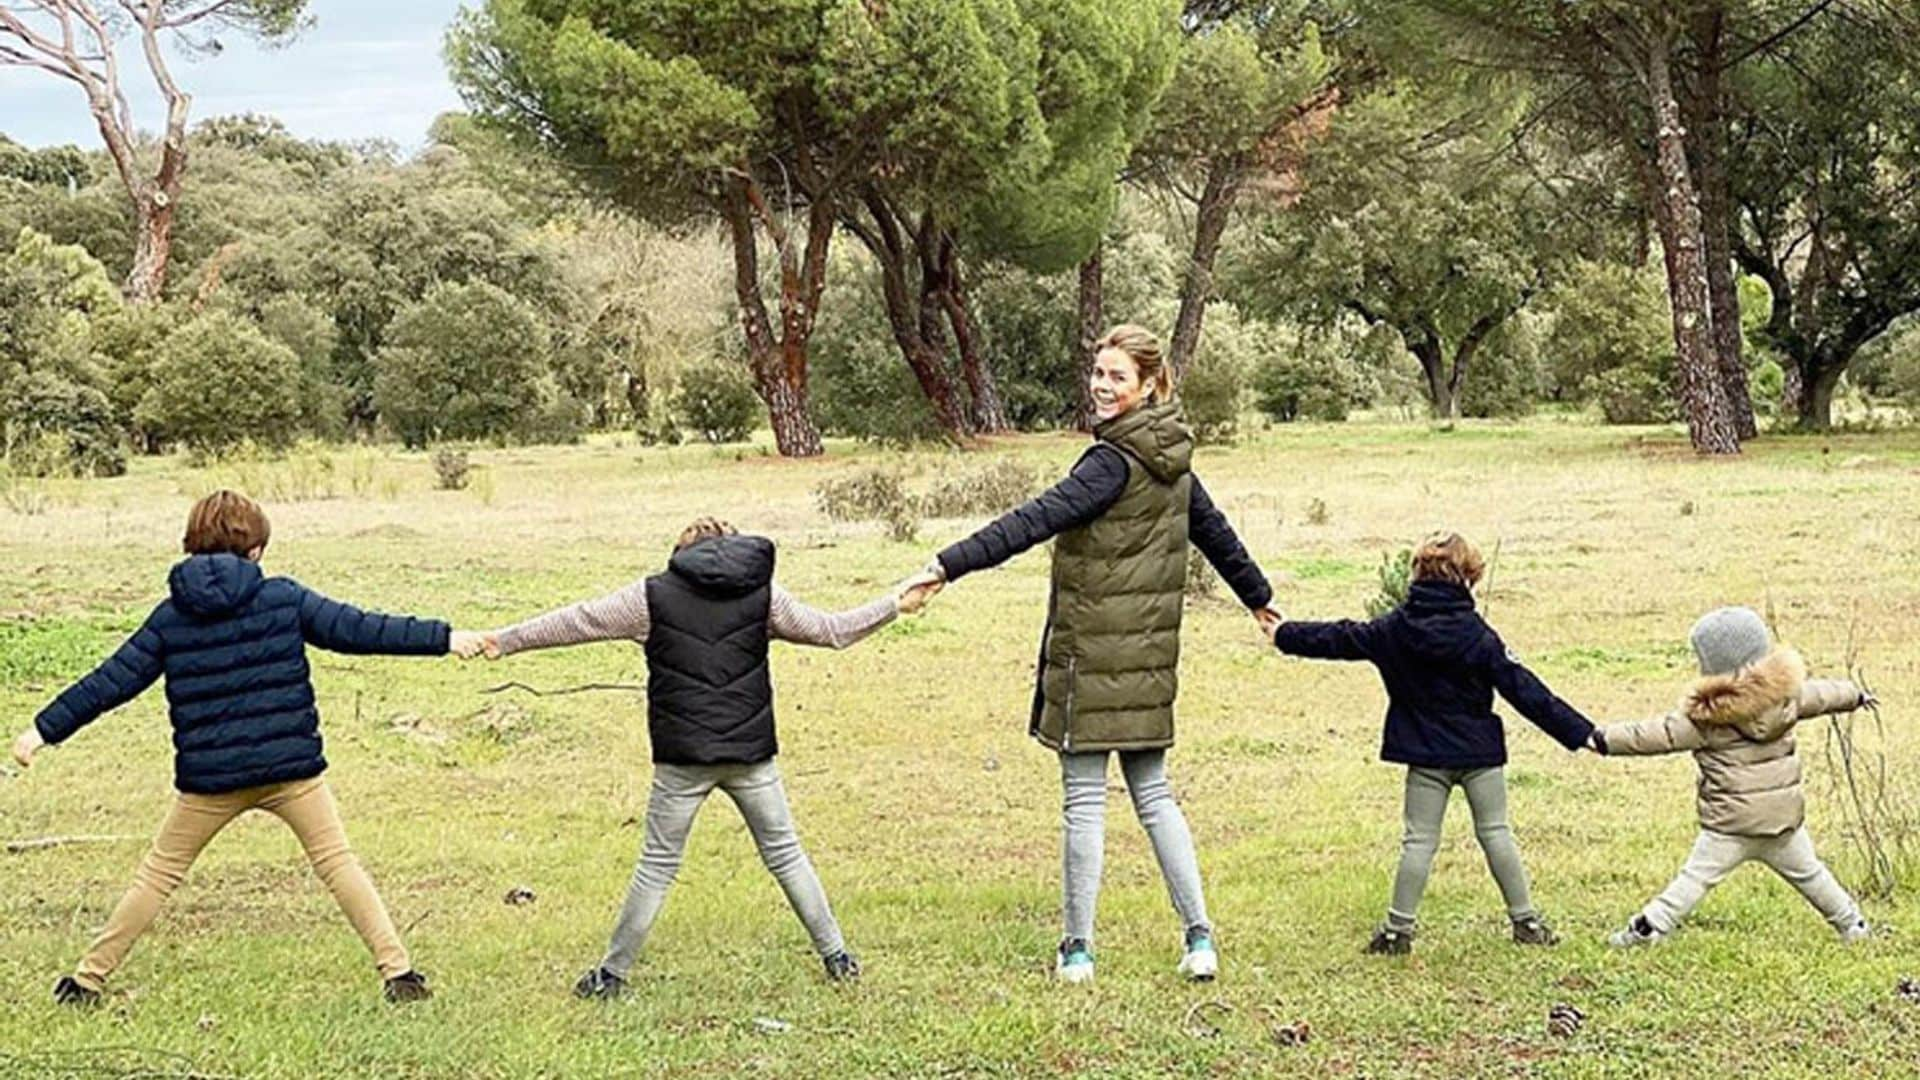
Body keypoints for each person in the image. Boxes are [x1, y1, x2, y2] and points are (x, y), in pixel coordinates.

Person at [923, 324, 1280, 984]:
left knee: (1084, 804)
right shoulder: (1171, 453)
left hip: (1091, 660)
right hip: (1148, 664)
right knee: (1155, 797)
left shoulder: (1109, 462)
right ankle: (1199, 939)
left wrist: (947, 565)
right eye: (1098, 373)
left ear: (1151, 385)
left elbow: (1030, 521)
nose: (1102, 386)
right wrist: (1257, 596)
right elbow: (1216, 534)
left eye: (1117, 376)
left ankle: (1078, 949)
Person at [11, 490, 468, 1006]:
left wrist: (41, 731)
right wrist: (446, 638)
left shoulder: (170, 617)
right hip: (291, 773)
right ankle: (399, 975)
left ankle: (86, 981)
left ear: (192, 546)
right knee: (339, 864)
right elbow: (361, 629)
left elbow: (110, 680)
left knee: (157, 876)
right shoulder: (283, 597)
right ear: (255, 551)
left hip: (211, 782)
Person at [461, 517, 940, 997]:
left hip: (682, 759)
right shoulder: (763, 594)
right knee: (786, 854)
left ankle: (611, 976)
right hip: (750, 756)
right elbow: (832, 630)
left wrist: (505, 639)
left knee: (657, 864)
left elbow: (578, 621)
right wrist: (894, 603)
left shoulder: (651, 596)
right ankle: (838, 957)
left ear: (680, 553)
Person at [1271, 531, 1593, 955]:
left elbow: (1338, 637)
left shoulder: (1393, 630)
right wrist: (1580, 732)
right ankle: (1526, 922)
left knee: (1418, 841)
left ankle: (1396, 932)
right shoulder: (1480, 636)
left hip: (1425, 755)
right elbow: (1526, 690)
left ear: (1417, 573)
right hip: (1480, 754)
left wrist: (1283, 634)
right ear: (1469, 576)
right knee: (1496, 833)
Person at [1596, 606, 1874, 946]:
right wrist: (1855, 695)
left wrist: (1603, 739)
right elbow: (1824, 695)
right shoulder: (1789, 696)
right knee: (1812, 874)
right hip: (1782, 822)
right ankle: (1854, 925)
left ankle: (1649, 928)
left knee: (1695, 879)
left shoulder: (1704, 719)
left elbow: (1653, 734)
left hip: (1730, 828)